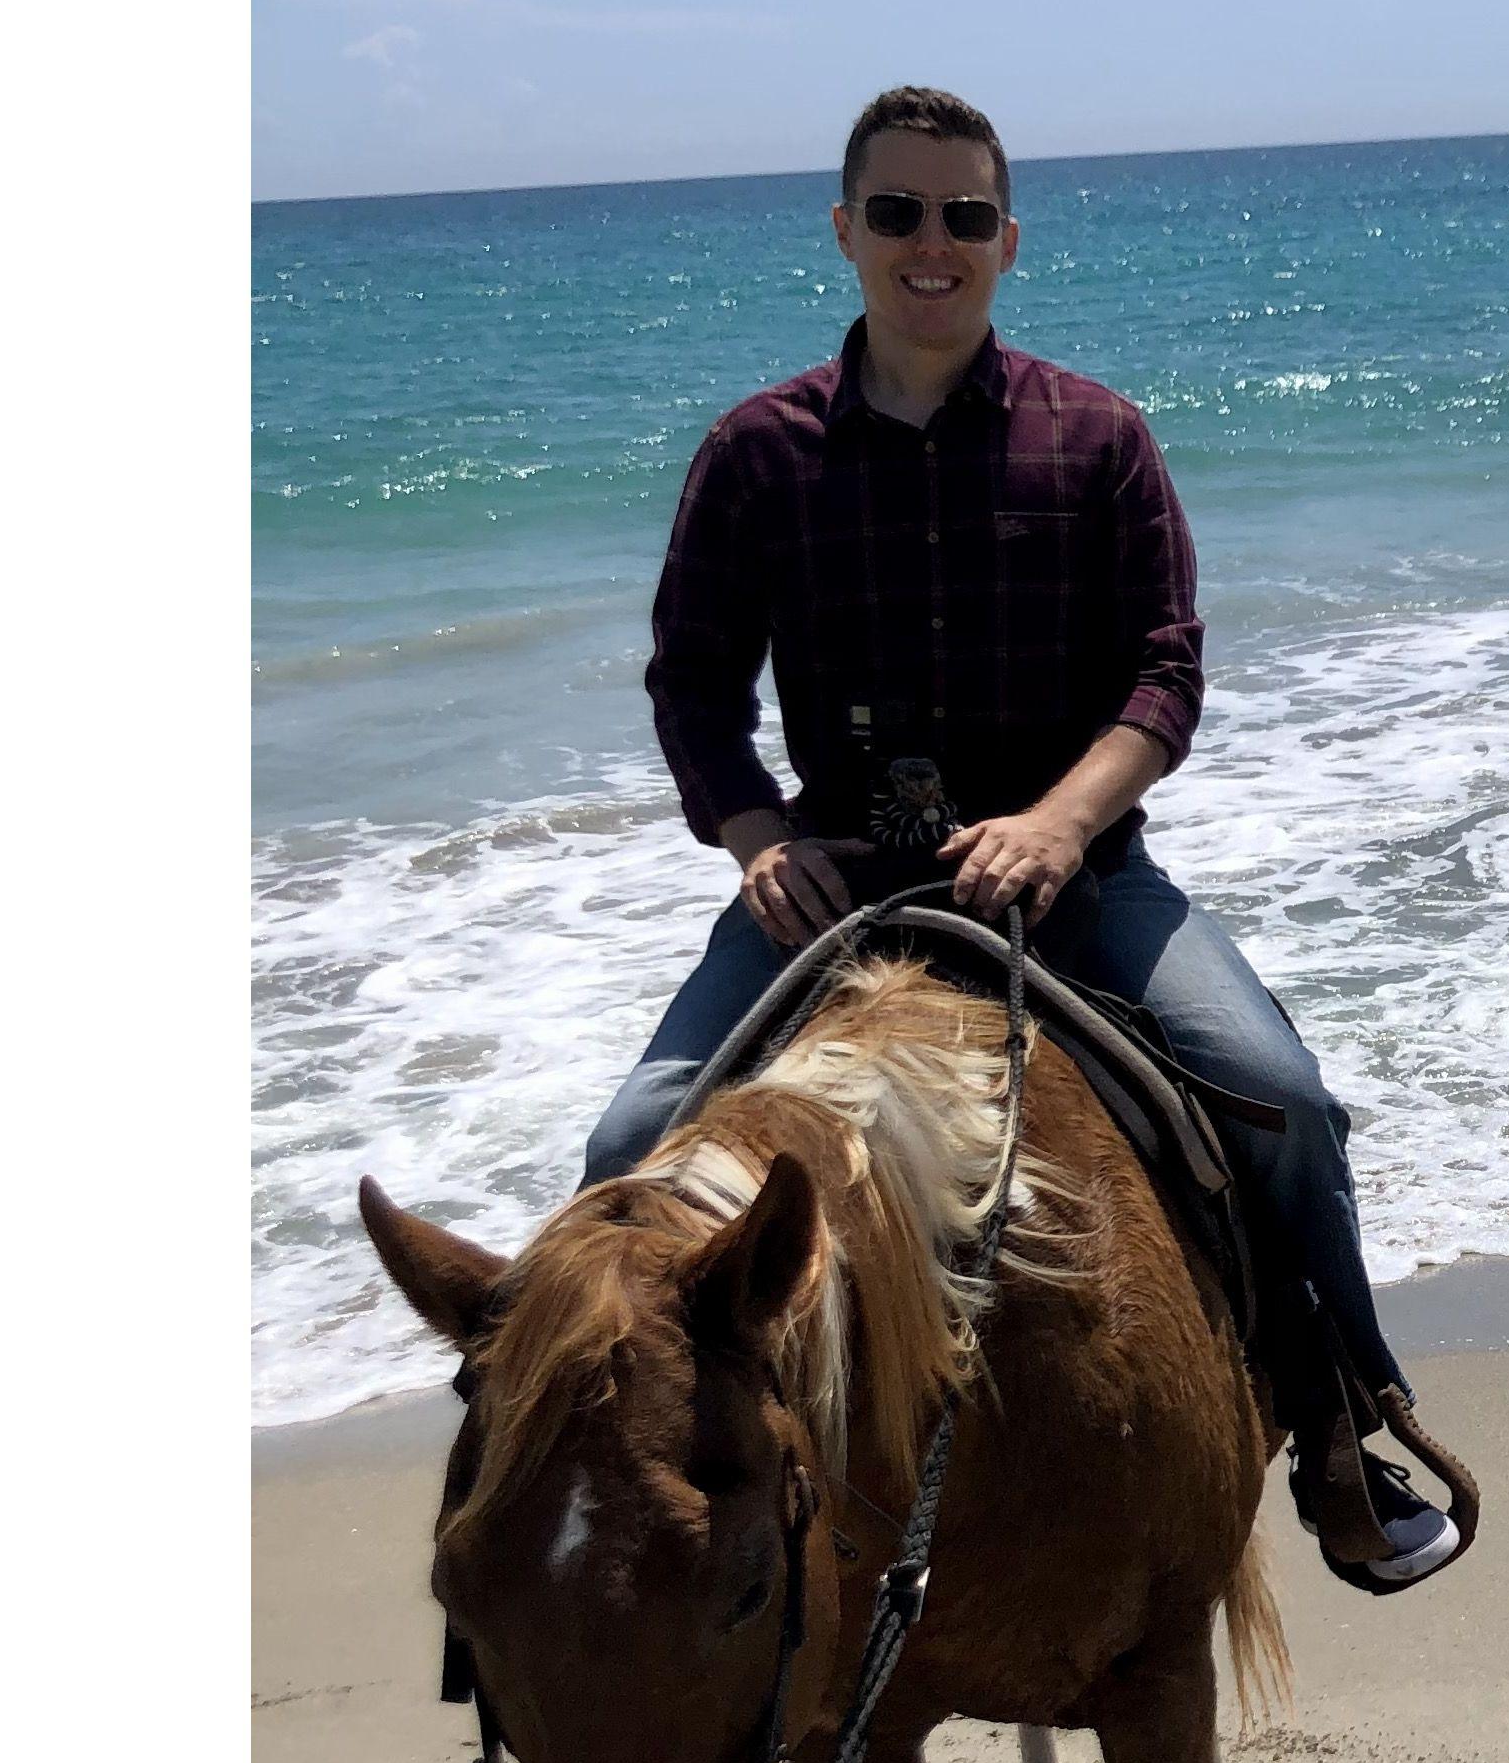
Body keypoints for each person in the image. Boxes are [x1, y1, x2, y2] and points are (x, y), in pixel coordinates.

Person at [580, 82, 1463, 1589]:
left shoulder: (1099, 438)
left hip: (1079, 883)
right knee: (629, 1144)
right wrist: (753, 839)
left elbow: (1165, 674)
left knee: (1282, 1098)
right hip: (838, 890)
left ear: (1009, 242)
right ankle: (624, 1493)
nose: (936, 245)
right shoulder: (757, 456)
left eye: (967, 218)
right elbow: (693, 687)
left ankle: (1340, 1425)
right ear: (848, 231)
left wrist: (1060, 822)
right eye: (904, 214)